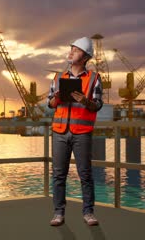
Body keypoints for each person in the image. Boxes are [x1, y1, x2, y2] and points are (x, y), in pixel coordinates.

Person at [47, 37, 103, 226]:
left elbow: (97, 105)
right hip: (60, 132)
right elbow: (50, 104)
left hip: (82, 132)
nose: (71, 52)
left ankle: (88, 212)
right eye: (70, 49)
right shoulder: (58, 78)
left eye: (76, 50)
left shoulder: (94, 78)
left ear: (85, 57)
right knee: (58, 174)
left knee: (85, 174)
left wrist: (84, 100)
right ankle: (58, 213)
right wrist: (56, 98)